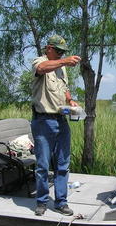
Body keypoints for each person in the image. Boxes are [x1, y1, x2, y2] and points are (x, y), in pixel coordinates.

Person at [31, 35, 81, 216]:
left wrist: (71, 100)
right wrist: (65, 61)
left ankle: (61, 202)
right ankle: (42, 202)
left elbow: (64, 89)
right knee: (43, 165)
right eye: (58, 51)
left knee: (63, 164)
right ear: (48, 48)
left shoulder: (61, 68)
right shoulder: (41, 61)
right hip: (43, 121)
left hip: (61, 120)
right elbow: (41, 68)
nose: (61, 54)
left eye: (63, 52)